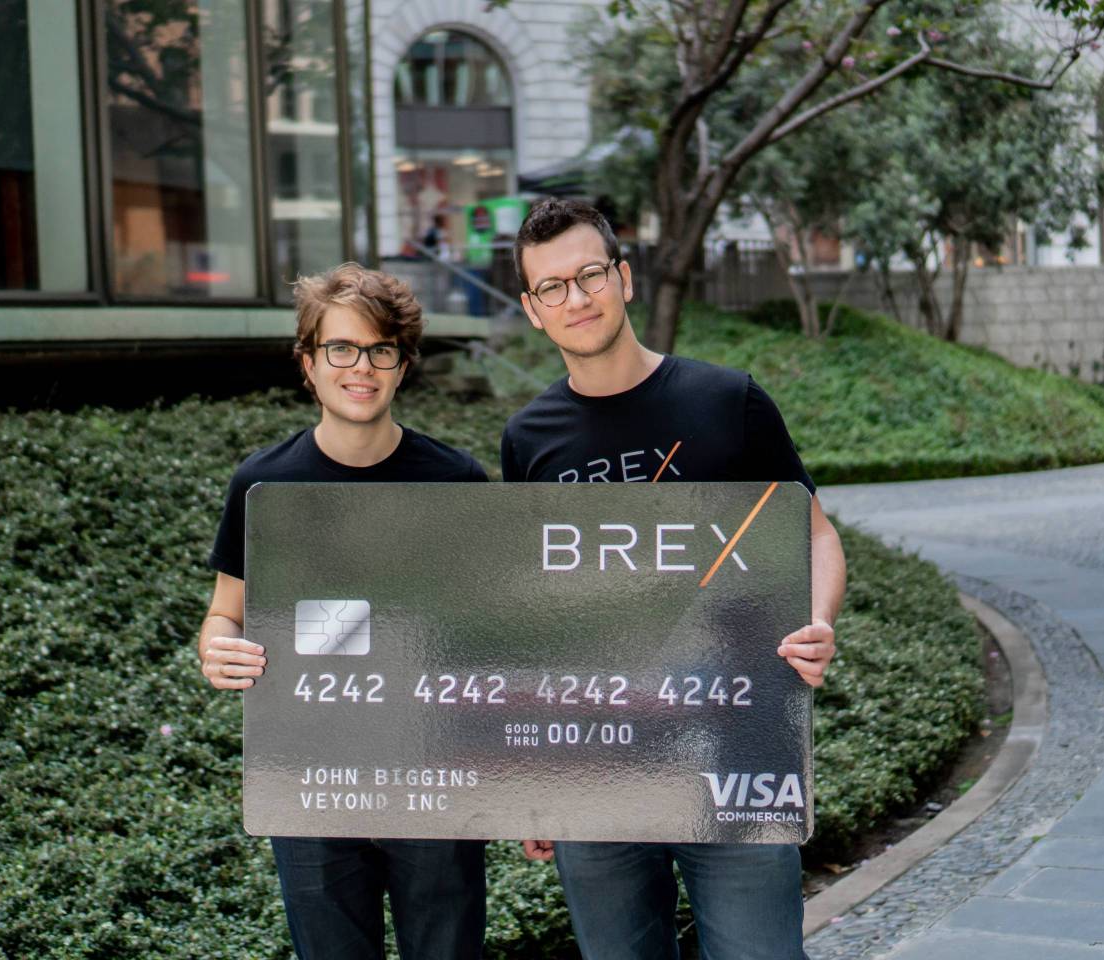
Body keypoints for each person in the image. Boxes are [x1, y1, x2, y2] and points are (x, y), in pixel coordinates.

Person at [500, 198, 847, 960]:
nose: (575, 298)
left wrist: (818, 621)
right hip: (595, 770)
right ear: (532, 310)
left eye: (589, 274)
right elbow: (541, 618)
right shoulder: (527, 441)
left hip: (737, 750)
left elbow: (814, 535)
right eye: (551, 287)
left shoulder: (729, 401)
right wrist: (533, 774)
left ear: (623, 278)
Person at [198, 263, 490, 960]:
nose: (362, 367)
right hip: (311, 779)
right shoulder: (264, 483)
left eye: (380, 350)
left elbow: (492, 638)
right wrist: (218, 649)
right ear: (308, 362)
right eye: (341, 348)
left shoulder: (458, 482)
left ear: (402, 364)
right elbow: (223, 615)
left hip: (433, 776)